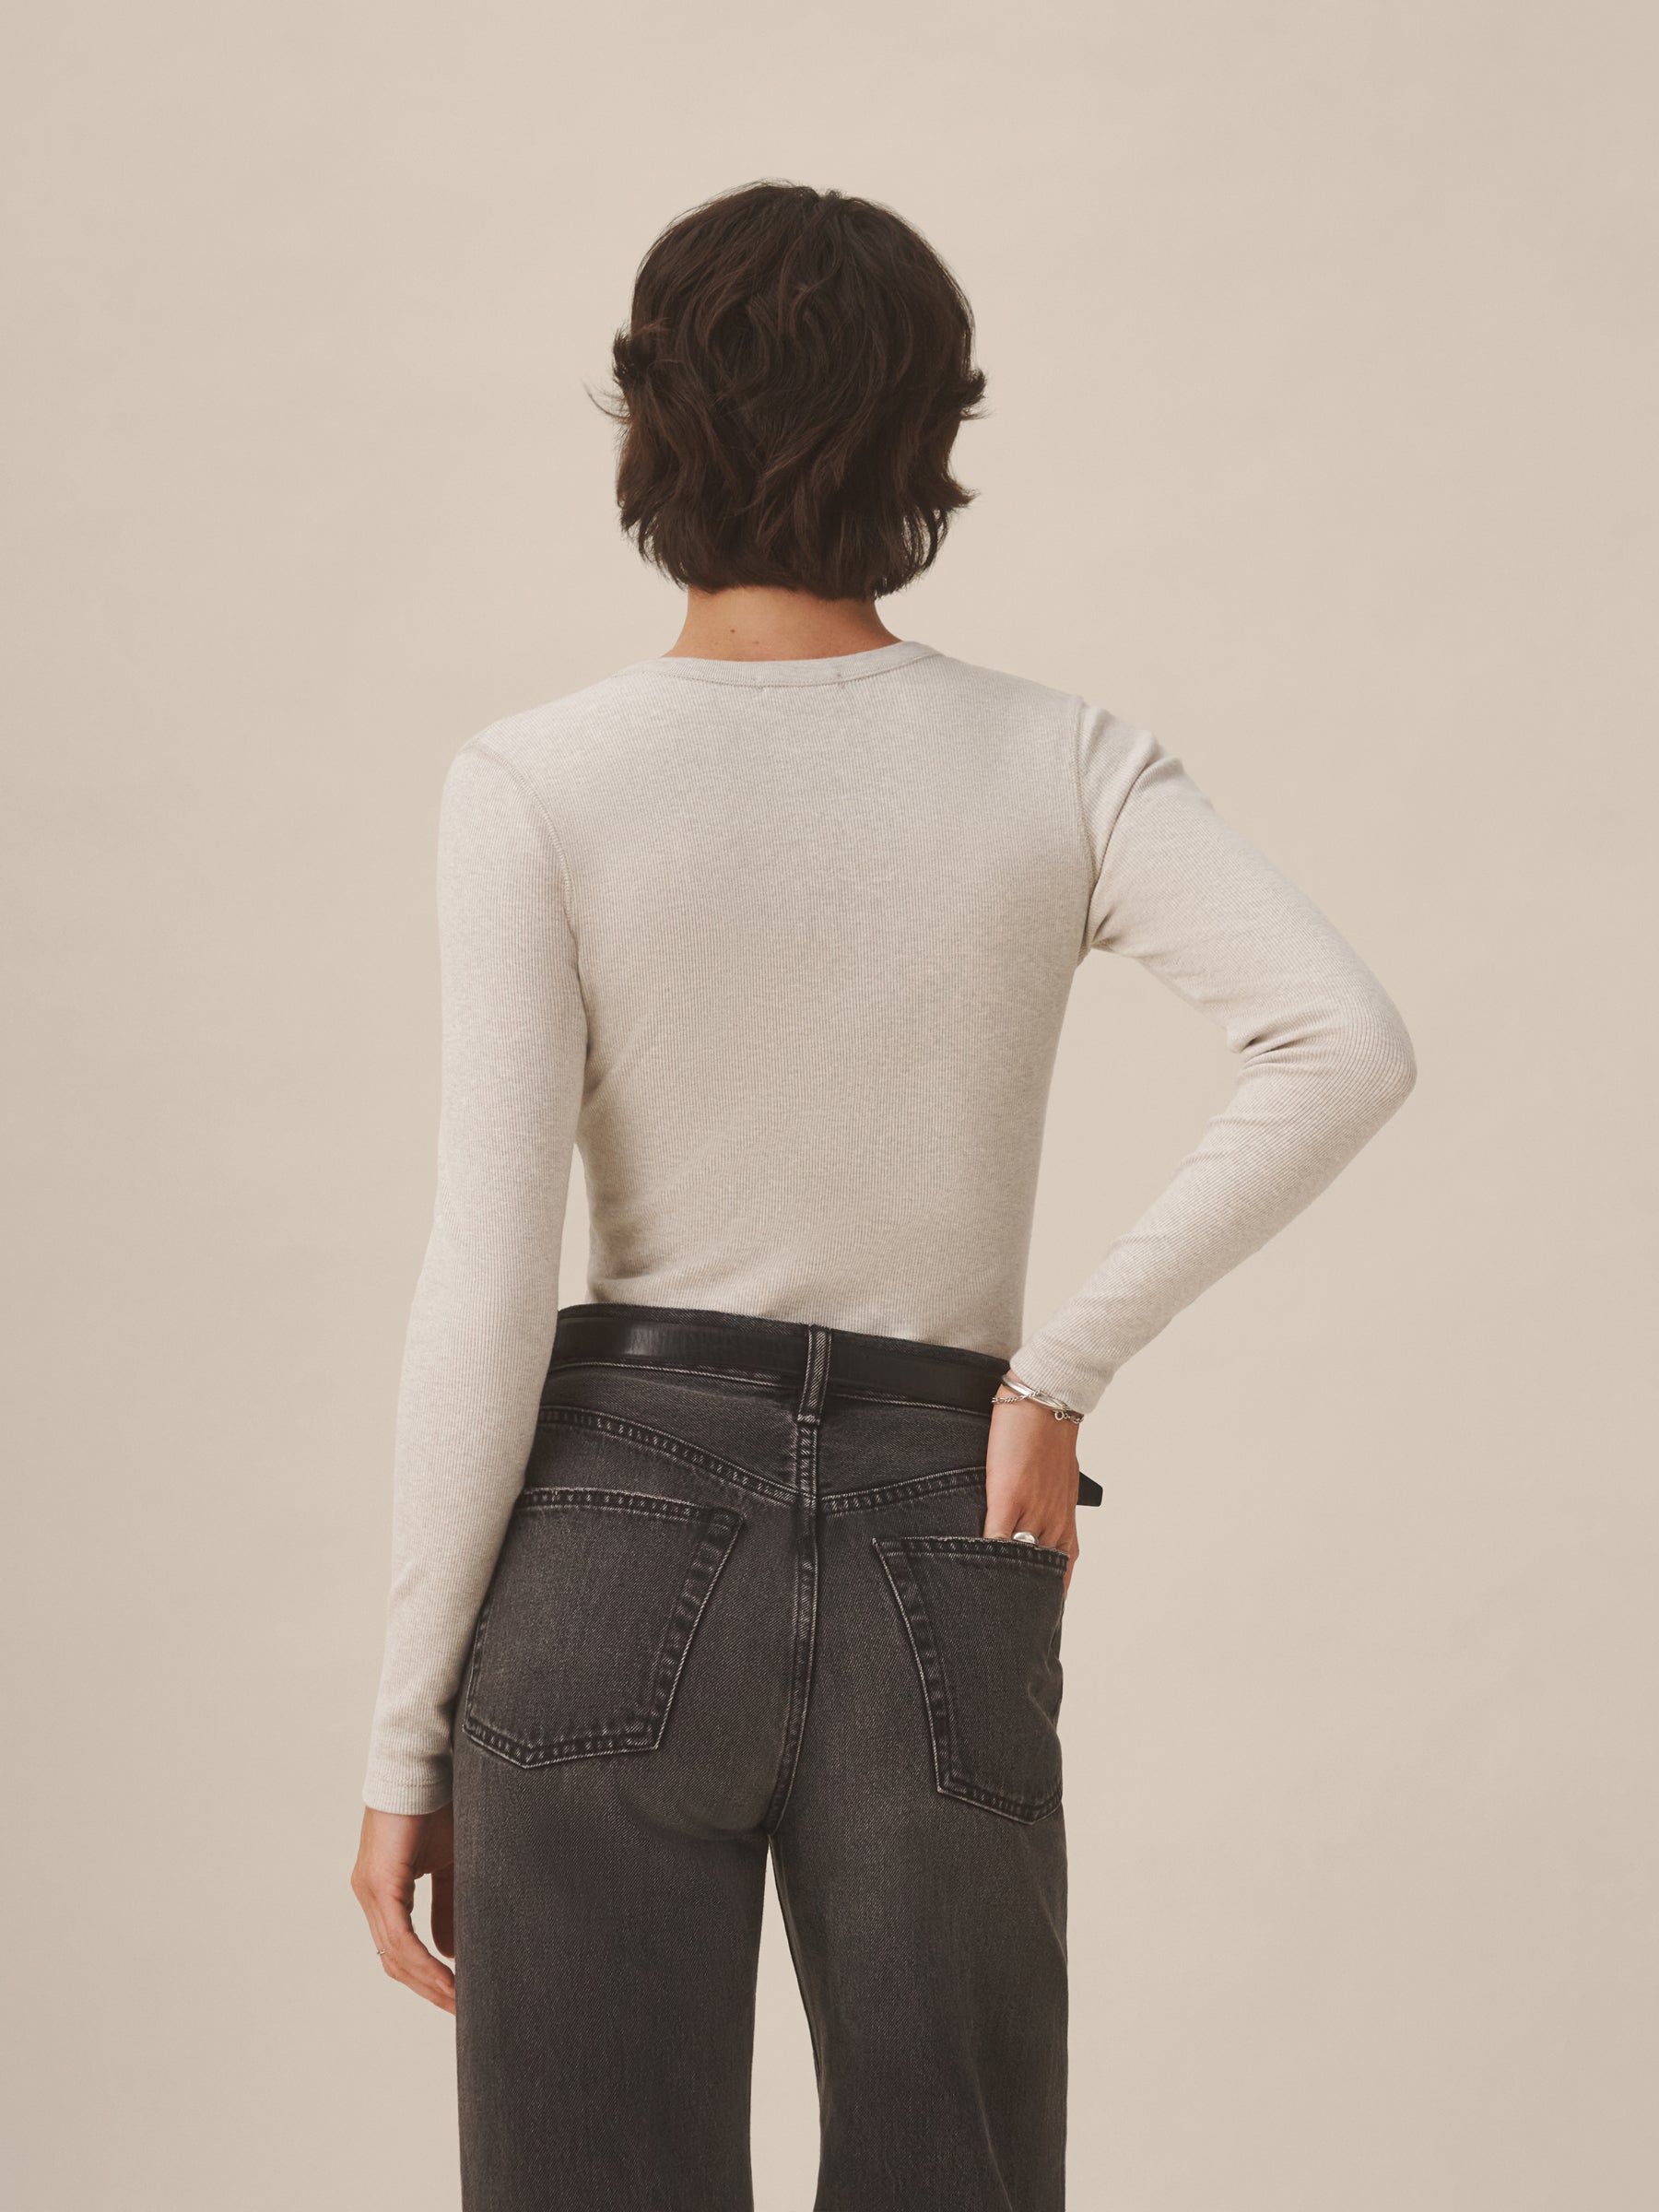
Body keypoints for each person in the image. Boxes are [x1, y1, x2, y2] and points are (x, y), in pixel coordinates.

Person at [350, 179, 1417, 2209]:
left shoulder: (540, 781)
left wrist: (406, 1739)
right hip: (947, 1517)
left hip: (608, 1527)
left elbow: (483, 1281)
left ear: (647, 419)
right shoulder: (1063, 760)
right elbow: (1342, 1042)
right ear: (932, 436)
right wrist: (1061, 1372)